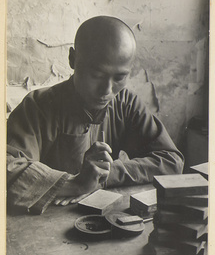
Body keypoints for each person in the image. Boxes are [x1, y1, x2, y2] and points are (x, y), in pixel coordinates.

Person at [7, 16, 184, 214]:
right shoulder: (37, 107)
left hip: (99, 218)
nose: (106, 90)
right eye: (97, 75)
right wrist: (73, 184)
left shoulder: (126, 103)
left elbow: (171, 160)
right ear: (72, 59)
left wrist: (105, 174)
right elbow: (8, 170)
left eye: (119, 77)